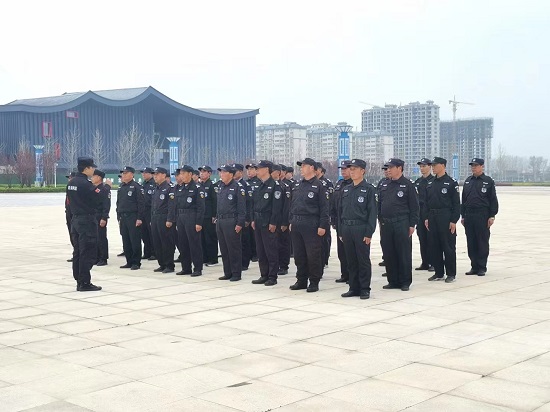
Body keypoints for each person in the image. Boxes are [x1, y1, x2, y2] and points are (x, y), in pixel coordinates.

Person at [289, 158, 329, 293]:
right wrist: (291, 221)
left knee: (313, 255)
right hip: (297, 223)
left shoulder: (319, 186)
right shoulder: (298, 185)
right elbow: (292, 204)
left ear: (312, 168)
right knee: (299, 254)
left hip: (311, 224)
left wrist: (323, 225)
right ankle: (301, 280)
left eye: (304, 166)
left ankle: (314, 281)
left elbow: (324, 208)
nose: (301, 168)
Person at [378, 158, 419, 291]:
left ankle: (405, 281)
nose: (388, 170)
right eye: (388, 167)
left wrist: (412, 224)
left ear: (400, 168)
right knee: (389, 252)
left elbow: (414, 207)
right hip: (386, 224)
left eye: (391, 167)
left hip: (401, 223)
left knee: (403, 253)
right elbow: (380, 204)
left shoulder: (408, 185)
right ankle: (393, 280)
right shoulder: (385, 184)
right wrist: (380, 219)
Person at [66, 157, 107, 291]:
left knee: (78, 251)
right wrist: (106, 187)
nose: (93, 170)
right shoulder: (85, 184)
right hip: (86, 221)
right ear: (86, 168)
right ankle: (84, 282)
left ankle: (78, 278)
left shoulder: (71, 183)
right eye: (92, 167)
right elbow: (98, 198)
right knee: (87, 251)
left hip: (75, 220)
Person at [340, 159, 377, 299]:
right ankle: (353, 287)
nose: (352, 171)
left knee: (362, 260)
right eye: (351, 169)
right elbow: (341, 211)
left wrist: (369, 232)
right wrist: (341, 230)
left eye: (355, 169)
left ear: (362, 171)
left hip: (361, 228)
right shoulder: (346, 189)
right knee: (351, 260)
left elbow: (372, 212)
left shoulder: (368, 189)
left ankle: (365, 288)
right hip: (347, 228)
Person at [424, 157, 460, 283]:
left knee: (448, 246)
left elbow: (456, 204)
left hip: (446, 217)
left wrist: (453, 221)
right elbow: (427, 203)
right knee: (434, 246)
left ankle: (451, 273)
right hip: (432, 217)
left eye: (435, 165)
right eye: (432, 165)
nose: (433, 168)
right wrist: (427, 218)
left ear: (443, 166)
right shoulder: (431, 183)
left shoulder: (451, 183)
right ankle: (439, 273)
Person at [461, 157, 499, 276]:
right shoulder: (468, 181)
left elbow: (493, 200)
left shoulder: (488, 181)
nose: (473, 168)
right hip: (469, 215)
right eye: (472, 166)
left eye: (476, 165)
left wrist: (492, 215)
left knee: (482, 241)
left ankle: (482, 267)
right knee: (471, 241)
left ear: (482, 166)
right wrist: (463, 216)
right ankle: (474, 266)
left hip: (482, 214)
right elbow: (464, 200)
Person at [251, 160, 283, 286]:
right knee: (261, 250)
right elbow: (254, 204)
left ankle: (272, 276)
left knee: (271, 250)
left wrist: (273, 222)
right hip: (258, 221)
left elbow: (276, 207)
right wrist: (253, 219)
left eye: (259, 168)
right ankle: (264, 274)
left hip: (268, 222)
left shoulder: (275, 186)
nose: (257, 171)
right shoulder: (259, 185)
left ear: (266, 169)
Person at [169, 165, 205, 277]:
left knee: (194, 244)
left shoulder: (197, 188)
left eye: (183, 173)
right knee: (183, 243)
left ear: (190, 174)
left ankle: (197, 268)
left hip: (192, 217)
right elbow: (175, 205)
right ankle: (186, 268)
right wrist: (175, 220)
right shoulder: (179, 188)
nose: (181, 176)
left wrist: (199, 222)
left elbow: (201, 207)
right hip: (181, 217)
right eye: (180, 174)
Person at [216, 165, 246, 281]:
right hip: (221, 220)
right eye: (221, 172)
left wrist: (240, 223)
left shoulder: (237, 187)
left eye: (224, 172)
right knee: (224, 248)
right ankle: (227, 272)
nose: (221, 174)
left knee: (233, 248)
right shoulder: (221, 186)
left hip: (232, 221)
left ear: (231, 174)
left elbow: (242, 207)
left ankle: (236, 273)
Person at [116, 166, 144, 270]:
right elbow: (118, 203)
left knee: (134, 240)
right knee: (126, 240)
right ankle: (129, 261)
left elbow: (141, 204)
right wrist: (118, 216)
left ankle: (136, 262)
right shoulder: (121, 187)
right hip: (123, 217)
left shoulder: (136, 187)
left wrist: (139, 218)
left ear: (132, 174)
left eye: (125, 173)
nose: (123, 175)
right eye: (123, 173)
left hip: (133, 217)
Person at [150, 167, 176, 273]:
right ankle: (162, 264)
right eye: (154, 174)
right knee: (157, 242)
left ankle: (169, 265)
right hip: (155, 218)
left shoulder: (169, 188)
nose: (155, 176)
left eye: (157, 174)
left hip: (164, 218)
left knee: (166, 242)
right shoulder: (156, 188)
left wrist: (170, 219)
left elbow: (171, 206)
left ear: (164, 175)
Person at [331, 160, 353, 283]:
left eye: (345, 169)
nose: (343, 171)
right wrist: (333, 218)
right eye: (342, 169)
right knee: (341, 251)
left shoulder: (354, 184)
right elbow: (334, 202)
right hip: (339, 222)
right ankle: (344, 274)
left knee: (351, 251)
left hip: (350, 222)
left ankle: (352, 276)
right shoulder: (339, 184)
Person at [414, 158, 435, 272]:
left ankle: (434, 262)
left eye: (424, 166)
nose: (422, 168)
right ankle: (425, 262)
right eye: (420, 166)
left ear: (430, 166)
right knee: (422, 238)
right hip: (420, 213)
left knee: (432, 239)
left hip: (430, 213)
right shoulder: (418, 182)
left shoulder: (434, 181)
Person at [233, 163, 253, 271]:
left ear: (240, 172)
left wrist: (247, 218)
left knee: (244, 241)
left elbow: (249, 203)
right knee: (235, 242)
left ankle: (244, 263)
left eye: (235, 171)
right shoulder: (231, 184)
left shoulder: (245, 185)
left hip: (243, 217)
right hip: (233, 218)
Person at [199, 165, 219, 266]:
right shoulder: (199, 186)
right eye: (201, 171)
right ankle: (204, 258)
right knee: (202, 238)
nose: (202, 173)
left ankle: (213, 259)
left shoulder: (212, 186)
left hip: (209, 216)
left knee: (210, 238)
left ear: (209, 174)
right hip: (201, 216)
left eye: (204, 171)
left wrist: (214, 215)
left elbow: (215, 202)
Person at [91, 169, 111, 266]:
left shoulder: (104, 189)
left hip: (100, 216)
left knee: (101, 237)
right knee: (95, 237)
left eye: (93, 176)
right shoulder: (93, 188)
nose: (92, 178)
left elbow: (106, 205)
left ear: (99, 177)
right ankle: (97, 257)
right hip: (93, 215)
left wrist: (104, 217)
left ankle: (103, 258)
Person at [316, 163, 333, 269]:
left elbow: (330, 200)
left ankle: (325, 259)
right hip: (314, 217)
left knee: (325, 239)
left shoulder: (327, 183)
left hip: (325, 215)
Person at [276, 164, 291, 276]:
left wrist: (285, 222)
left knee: (283, 244)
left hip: (282, 220)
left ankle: (284, 266)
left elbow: (287, 206)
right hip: (273, 220)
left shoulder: (285, 186)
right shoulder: (272, 186)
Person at [140, 167, 156, 261]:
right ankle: (147, 252)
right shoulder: (143, 184)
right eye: (143, 173)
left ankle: (154, 252)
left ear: (151, 174)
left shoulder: (154, 184)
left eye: (146, 173)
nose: (144, 174)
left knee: (151, 233)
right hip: (143, 211)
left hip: (150, 210)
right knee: (144, 233)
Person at [245, 163, 260, 262]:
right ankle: (249, 253)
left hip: (255, 212)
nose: (249, 171)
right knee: (247, 236)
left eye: (251, 169)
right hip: (247, 212)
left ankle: (256, 254)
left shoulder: (259, 182)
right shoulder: (246, 183)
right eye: (248, 169)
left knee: (255, 235)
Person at [377, 165, 391, 270]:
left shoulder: (403, 183)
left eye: (388, 169)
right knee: (384, 240)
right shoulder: (382, 182)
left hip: (397, 219)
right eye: (384, 170)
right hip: (383, 217)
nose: (386, 171)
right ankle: (386, 259)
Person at [65, 171, 76, 262]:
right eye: (69, 178)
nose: (69, 180)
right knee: (71, 234)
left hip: (75, 215)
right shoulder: (69, 189)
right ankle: (75, 253)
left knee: (76, 236)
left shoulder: (77, 190)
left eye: (70, 178)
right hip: (68, 214)